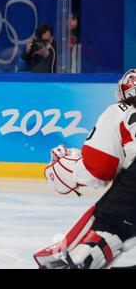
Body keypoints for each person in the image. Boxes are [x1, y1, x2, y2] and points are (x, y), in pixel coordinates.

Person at [34, 69, 136, 269]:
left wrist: (74, 171)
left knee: (109, 223)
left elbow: (99, 168)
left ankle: (70, 258)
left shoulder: (120, 111)